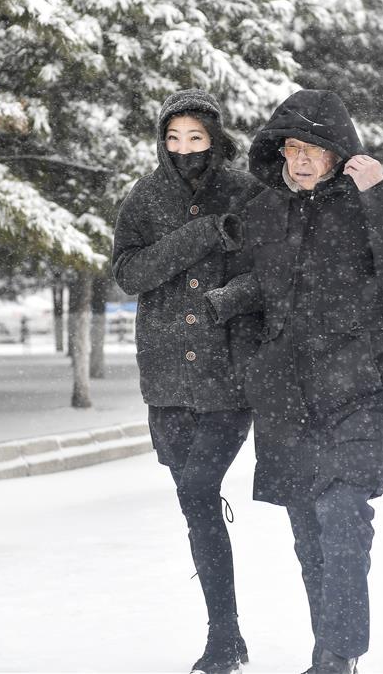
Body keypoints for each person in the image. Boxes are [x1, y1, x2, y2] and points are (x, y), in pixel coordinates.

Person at [205, 89, 383, 674]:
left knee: (344, 518)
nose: (299, 161)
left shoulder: (374, 200)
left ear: (338, 154)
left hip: (361, 385)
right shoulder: (264, 210)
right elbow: (270, 287)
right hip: (286, 392)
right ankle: (332, 654)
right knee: (308, 533)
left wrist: (376, 193)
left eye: (313, 150)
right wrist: (224, 304)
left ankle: (336, 656)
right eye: (291, 149)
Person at [112, 89, 262, 674]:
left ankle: (222, 639)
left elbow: (272, 276)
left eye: (196, 139)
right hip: (169, 375)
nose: (184, 150)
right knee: (193, 500)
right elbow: (129, 273)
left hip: (229, 375)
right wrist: (200, 236)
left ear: (215, 138)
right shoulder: (145, 198)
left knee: (199, 489)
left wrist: (229, 301)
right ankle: (228, 633)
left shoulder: (247, 193)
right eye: (174, 139)